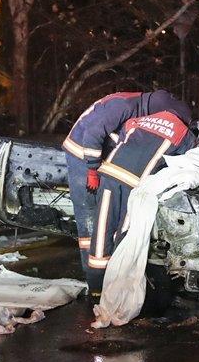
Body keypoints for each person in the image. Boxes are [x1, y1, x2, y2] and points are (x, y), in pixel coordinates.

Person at [63, 90, 191, 267]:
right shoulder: (124, 105)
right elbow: (92, 134)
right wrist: (92, 170)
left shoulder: (138, 108)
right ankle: (91, 266)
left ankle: (102, 263)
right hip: (81, 154)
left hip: (99, 158)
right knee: (89, 211)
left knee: (103, 215)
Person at [86, 108, 196, 297]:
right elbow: (185, 163)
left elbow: (119, 139)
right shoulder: (184, 133)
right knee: (124, 233)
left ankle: (95, 286)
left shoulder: (139, 120)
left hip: (110, 174)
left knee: (102, 227)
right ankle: (116, 289)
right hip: (136, 185)